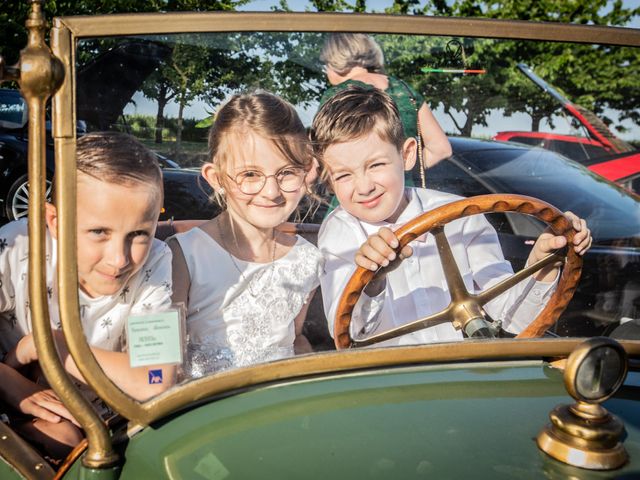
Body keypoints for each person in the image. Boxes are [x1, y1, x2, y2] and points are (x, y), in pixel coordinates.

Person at [310, 86, 592, 345]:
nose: (364, 186)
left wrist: (542, 265)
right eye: (344, 175)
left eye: (376, 165)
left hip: (465, 373)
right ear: (329, 178)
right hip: (389, 382)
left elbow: (516, 321)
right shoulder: (340, 234)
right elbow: (349, 335)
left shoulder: (463, 217)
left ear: (407, 154)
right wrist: (372, 282)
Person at [0, 132, 175, 460]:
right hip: (13, 408)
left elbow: (156, 379)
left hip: (104, 427)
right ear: (54, 221)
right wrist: (9, 380)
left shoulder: (155, 262)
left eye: (139, 234)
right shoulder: (18, 247)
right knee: (62, 436)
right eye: (99, 232)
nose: (119, 259)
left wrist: (52, 345)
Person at [168, 91, 324, 378]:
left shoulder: (307, 259)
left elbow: (295, 338)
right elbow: (166, 360)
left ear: (305, 172)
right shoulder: (186, 255)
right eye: (250, 175)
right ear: (216, 179)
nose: (272, 192)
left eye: (286, 172)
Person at [319, 32, 452, 188]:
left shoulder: (335, 95)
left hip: (355, 200)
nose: (326, 72)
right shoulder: (405, 90)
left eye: (326, 66)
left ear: (335, 61)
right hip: (403, 195)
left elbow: (323, 160)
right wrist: (399, 169)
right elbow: (441, 149)